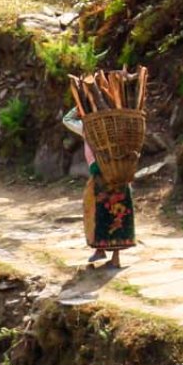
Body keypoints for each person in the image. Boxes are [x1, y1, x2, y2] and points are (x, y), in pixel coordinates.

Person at [68, 109, 134, 268]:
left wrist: (78, 107)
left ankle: (102, 250)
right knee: (117, 217)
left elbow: (67, 119)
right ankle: (108, 254)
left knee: (98, 213)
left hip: (100, 178)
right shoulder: (118, 127)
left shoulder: (88, 127)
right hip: (120, 175)